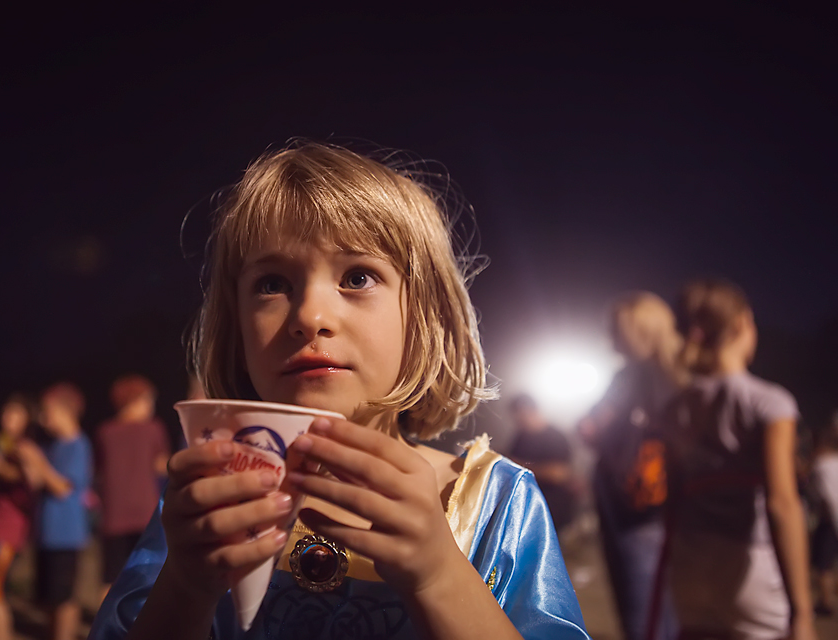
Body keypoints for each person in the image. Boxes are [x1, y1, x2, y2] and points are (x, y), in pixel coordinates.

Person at [90, 141, 590, 640]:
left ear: (422, 317)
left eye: (357, 277)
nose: (310, 316)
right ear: (234, 325)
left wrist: (439, 574)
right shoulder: (206, 503)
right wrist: (185, 586)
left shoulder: (498, 503)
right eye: (271, 284)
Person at [660, 279, 816, 640]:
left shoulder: (673, 407)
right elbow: (783, 504)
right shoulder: (769, 401)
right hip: (750, 566)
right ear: (742, 324)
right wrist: (803, 613)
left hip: (688, 563)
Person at [578, 291, 682, 640]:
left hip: (634, 505)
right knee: (667, 608)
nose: (611, 338)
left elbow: (591, 430)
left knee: (640, 609)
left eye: (617, 330)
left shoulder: (631, 377)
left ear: (638, 331)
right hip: (671, 505)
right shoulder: (682, 375)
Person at [0, 394, 44, 640]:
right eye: (5, 413)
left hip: (8, 531)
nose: (7, 419)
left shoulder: (25, 448)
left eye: (15, 414)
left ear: (27, 419)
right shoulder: (3, 446)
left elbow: (31, 481)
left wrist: (1, 469)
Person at [95, 375, 170, 602]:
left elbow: (99, 471)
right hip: (146, 515)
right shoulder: (153, 428)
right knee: (148, 576)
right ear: (133, 401)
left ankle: (105, 630)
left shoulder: (104, 432)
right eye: (147, 400)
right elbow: (162, 465)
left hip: (113, 517)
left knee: (111, 579)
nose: (150, 406)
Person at [34, 383, 93, 640]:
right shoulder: (54, 445)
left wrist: (34, 460)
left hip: (66, 535)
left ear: (65, 411)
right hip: (46, 535)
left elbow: (61, 487)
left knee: (64, 599)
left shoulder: (78, 445)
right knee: (49, 600)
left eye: (48, 411)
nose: (43, 418)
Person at [506, 393, 576, 534]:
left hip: (551, 510)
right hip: (526, 510)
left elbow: (559, 474)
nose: (517, 420)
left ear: (530, 410)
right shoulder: (520, 438)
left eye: (519, 414)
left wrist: (521, 466)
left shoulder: (555, 436)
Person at [811, 413, 838, 616]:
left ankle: (826, 602)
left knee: (824, 563)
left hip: (830, 520)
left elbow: (830, 498)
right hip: (830, 519)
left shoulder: (823, 465)